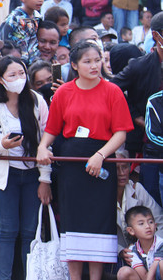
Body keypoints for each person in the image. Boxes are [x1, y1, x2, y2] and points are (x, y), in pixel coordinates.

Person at [38, 41, 134, 279]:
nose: (94, 66)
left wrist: (101, 155)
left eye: (97, 60)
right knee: (73, 222)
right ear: (74, 65)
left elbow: (120, 132)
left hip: (101, 161)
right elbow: (52, 129)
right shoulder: (64, 92)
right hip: (72, 163)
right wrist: (42, 147)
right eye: (87, 61)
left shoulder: (112, 91)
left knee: (99, 223)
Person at [0, 56, 52, 280]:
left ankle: (29, 275)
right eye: (12, 75)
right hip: (6, 175)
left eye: (22, 74)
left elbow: (46, 141)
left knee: (29, 231)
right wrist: (2, 145)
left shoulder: (36, 101)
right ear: (0, 79)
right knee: (8, 231)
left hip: (32, 174)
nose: (19, 79)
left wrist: (45, 179)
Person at [0, 0, 46, 64]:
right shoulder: (15, 17)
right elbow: (2, 39)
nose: (40, 0)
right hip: (16, 62)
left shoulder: (38, 17)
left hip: (33, 61)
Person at [116, 206, 163, 280]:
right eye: (141, 223)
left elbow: (153, 271)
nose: (147, 226)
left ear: (155, 225)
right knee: (124, 272)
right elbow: (143, 275)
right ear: (131, 230)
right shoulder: (133, 250)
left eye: (150, 222)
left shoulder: (160, 244)